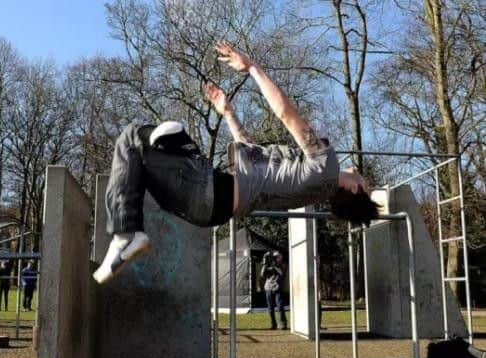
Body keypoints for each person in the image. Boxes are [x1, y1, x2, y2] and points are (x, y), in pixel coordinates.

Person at [93, 41, 379, 285]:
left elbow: (285, 114)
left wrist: (252, 67)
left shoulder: (326, 167)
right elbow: (251, 153)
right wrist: (227, 112)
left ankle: (126, 233)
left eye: (364, 183)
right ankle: (175, 145)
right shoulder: (310, 186)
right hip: (208, 207)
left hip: (208, 189)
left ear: (355, 191)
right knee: (142, 154)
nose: (359, 173)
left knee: (132, 137)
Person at [261, 251, 288, 330]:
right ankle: (273, 324)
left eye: (277, 256)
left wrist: (275, 266)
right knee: (270, 307)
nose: (276, 258)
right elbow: (262, 275)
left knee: (280, 306)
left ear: (281, 257)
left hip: (277, 288)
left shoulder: (283, 264)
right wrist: (265, 263)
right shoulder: (269, 265)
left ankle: (283, 323)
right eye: (275, 257)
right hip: (268, 287)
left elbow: (281, 273)